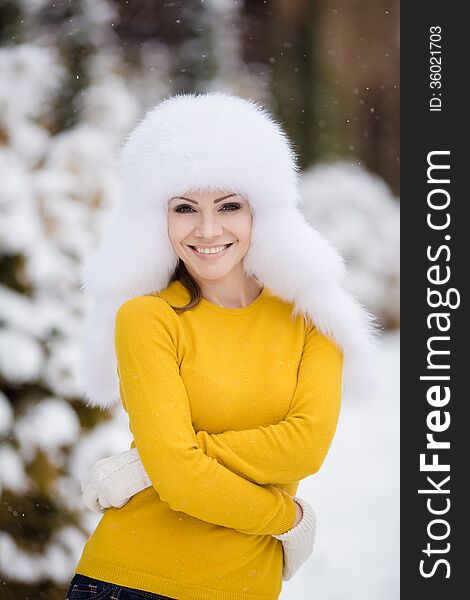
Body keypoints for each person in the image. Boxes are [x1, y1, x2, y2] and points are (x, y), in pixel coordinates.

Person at [67, 93, 377, 600]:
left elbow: (304, 448)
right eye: (185, 208)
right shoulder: (147, 318)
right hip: (130, 582)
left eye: (229, 205)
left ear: (262, 213)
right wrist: (289, 519)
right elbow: (181, 480)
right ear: (157, 221)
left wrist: (149, 466)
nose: (208, 230)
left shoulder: (314, 318)